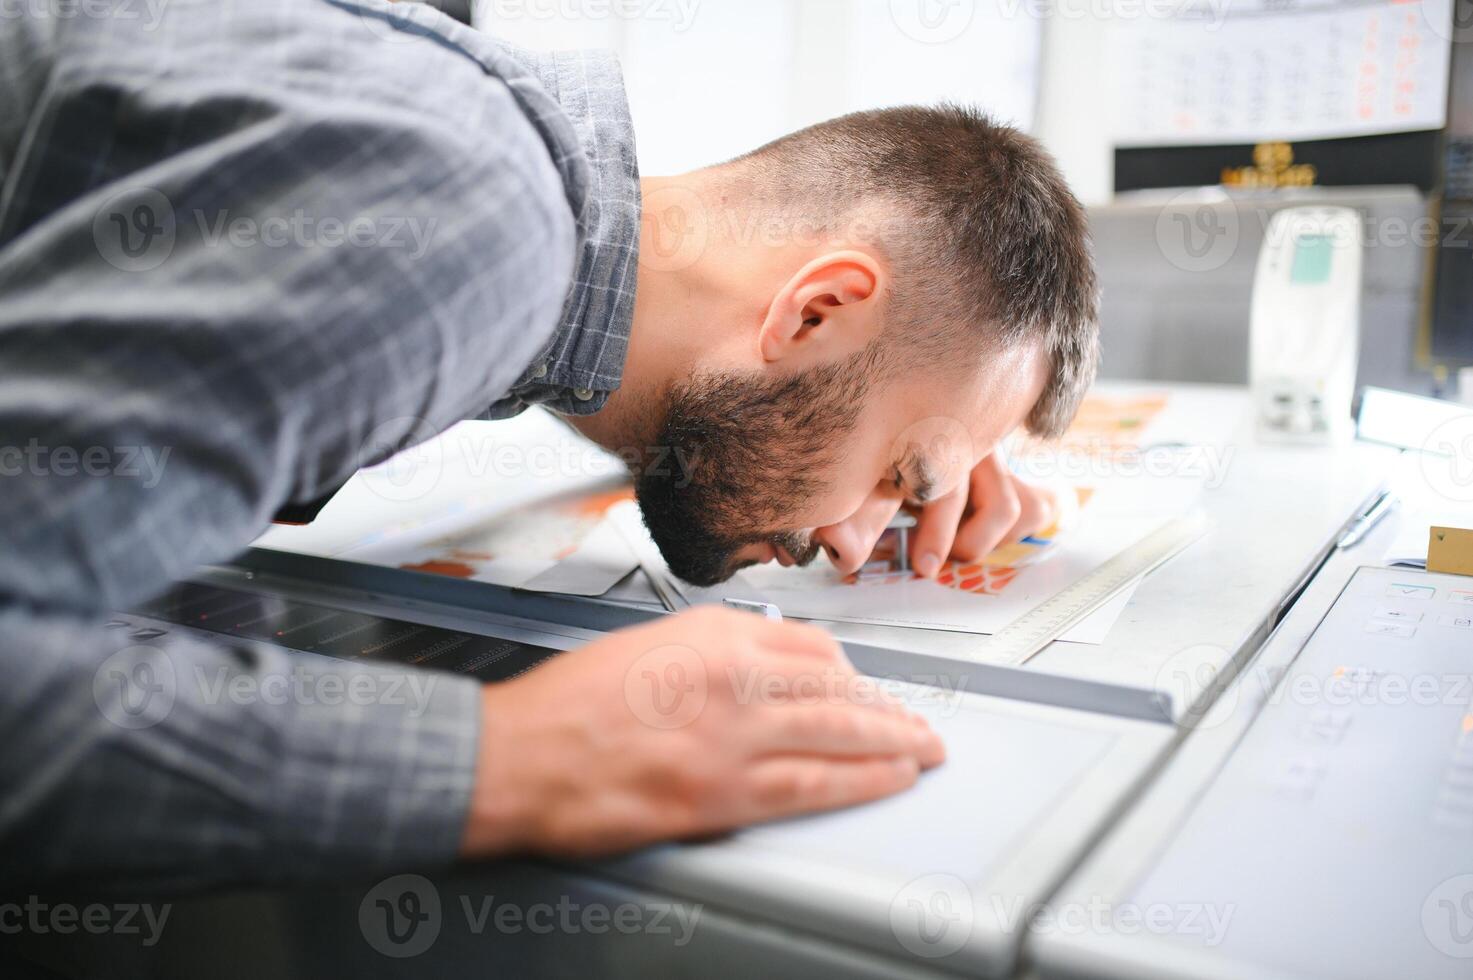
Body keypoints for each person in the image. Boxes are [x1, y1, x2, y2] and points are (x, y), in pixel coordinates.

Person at [0, 0, 1097, 888]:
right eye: (900, 478)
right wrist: (514, 759)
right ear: (811, 314)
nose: (860, 545)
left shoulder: (494, 180)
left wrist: (897, 433)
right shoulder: (470, 218)